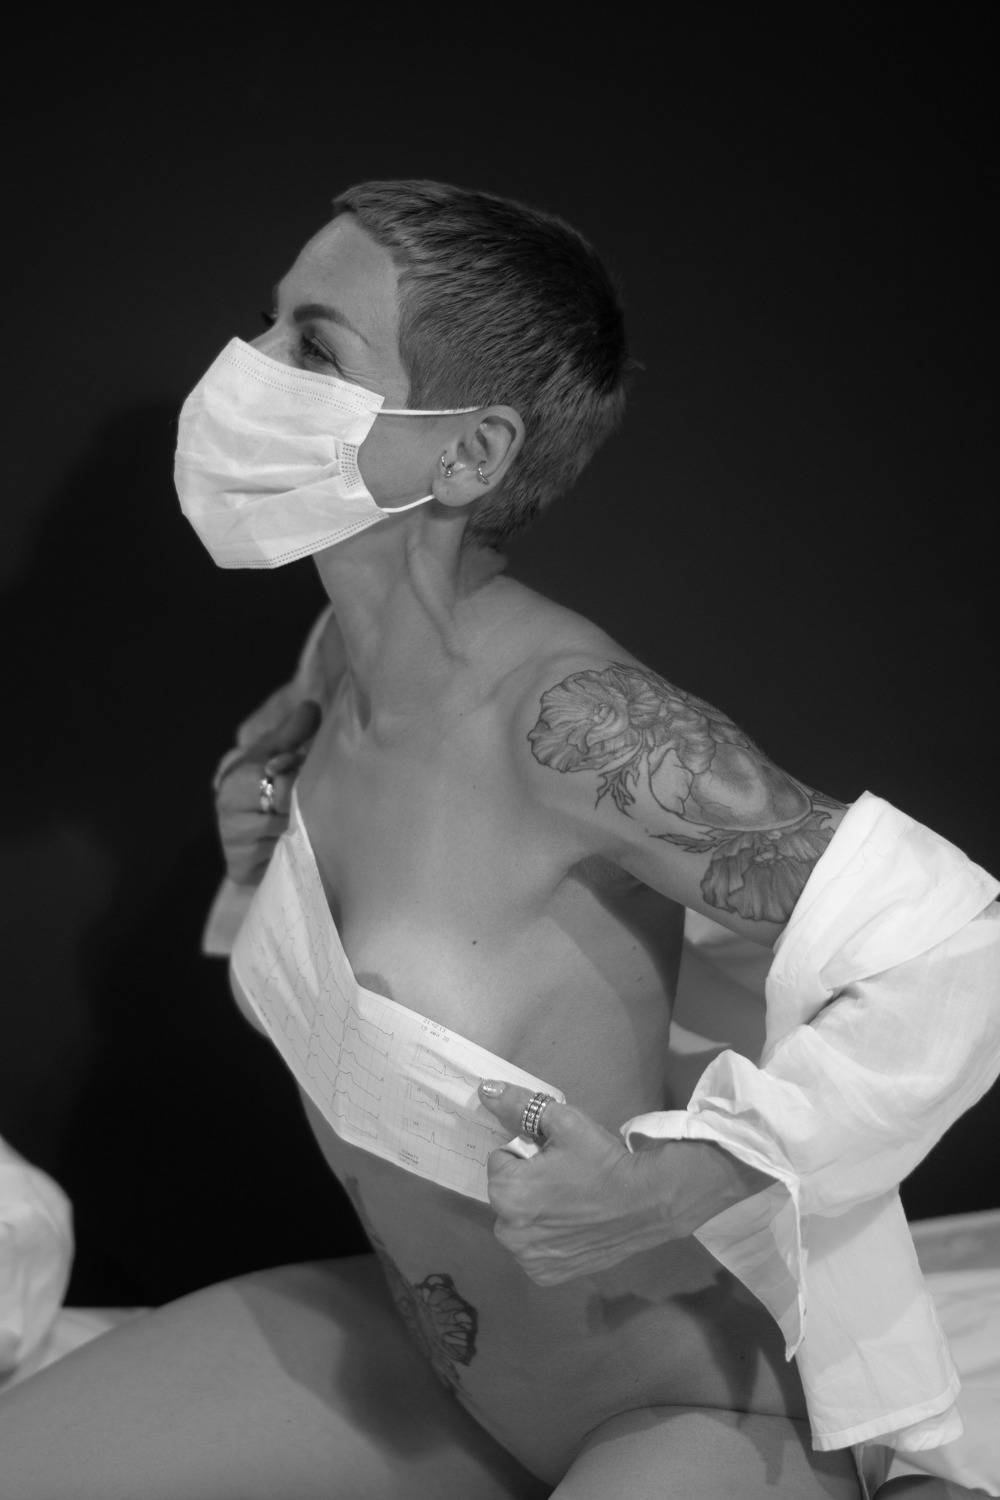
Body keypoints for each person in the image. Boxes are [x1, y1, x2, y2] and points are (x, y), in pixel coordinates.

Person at [0, 179, 996, 1500]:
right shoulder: (333, 669)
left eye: (314, 346)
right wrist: (262, 836)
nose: (248, 365)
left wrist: (679, 1180)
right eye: (268, 320)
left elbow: (957, 950)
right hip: (431, 1364)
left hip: (674, 1402)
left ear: (465, 455)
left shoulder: (573, 725)